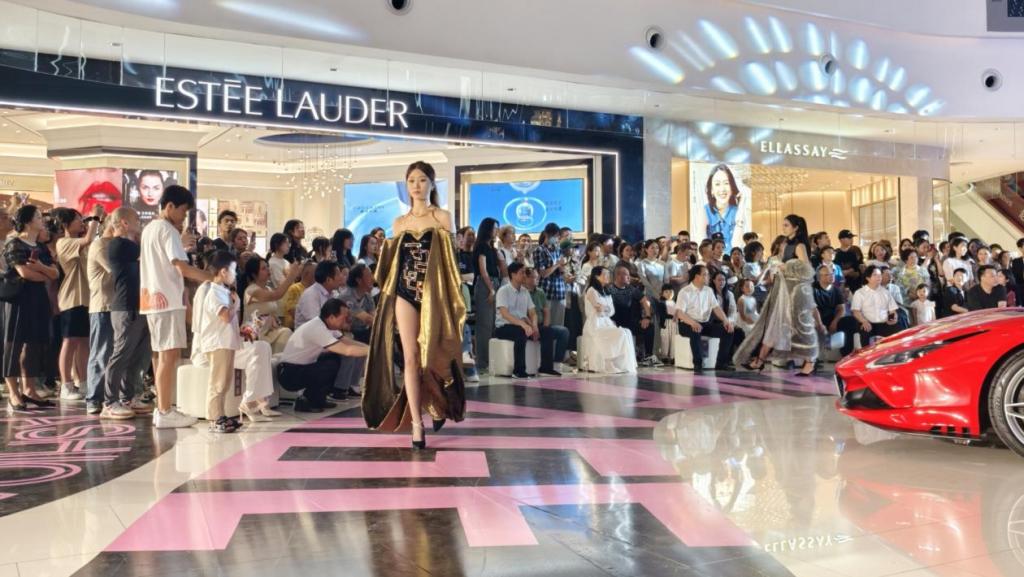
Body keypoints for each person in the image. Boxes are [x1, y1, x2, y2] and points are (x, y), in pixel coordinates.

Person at [362, 161, 466, 450]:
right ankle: (417, 424)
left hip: (436, 295)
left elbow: (451, 264)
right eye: (411, 181)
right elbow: (391, 264)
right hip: (405, 292)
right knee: (409, 357)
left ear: (431, 183)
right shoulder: (399, 223)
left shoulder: (443, 217)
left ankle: (438, 402)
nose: (417, 186)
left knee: (432, 355)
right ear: (406, 186)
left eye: (422, 180)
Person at [140, 185, 212, 429]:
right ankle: (164, 410)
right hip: (167, 301)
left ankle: (163, 407)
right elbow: (182, 267)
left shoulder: (150, 229)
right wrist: (212, 277)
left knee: (161, 356)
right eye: (183, 211)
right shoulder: (167, 230)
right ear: (169, 206)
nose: (184, 217)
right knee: (168, 357)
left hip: (154, 299)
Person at [734, 214, 819, 376]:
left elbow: (807, 270)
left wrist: (785, 267)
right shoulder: (787, 244)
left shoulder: (800, 246)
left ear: (796, 227)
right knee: (774, 326)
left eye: (787, 225)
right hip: (782, 291)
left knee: (799, 326)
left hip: (794, 293)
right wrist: (779, 267)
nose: (783, 228)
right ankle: (760, 360)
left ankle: (810, 362)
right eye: (783, 225)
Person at [2, 205, 59, 411]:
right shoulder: (14, 244)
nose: (41, 220)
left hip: (38, 299)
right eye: (37, 216)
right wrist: (44, 273)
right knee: (14, 344)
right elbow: (24, 273)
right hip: (18, 298)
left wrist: (41, 269)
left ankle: (30, 389)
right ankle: (13, 393)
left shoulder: (40, 246)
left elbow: (55, 273)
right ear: (27, 221)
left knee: (34, 344)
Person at [103, 207, 153, 420]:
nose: (139, 222)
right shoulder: (118, 244)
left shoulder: (131, 245)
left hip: (139, 305)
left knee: (137, 356)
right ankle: (109, 401)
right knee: (121, 354)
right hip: (125, 307)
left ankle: (128, 397)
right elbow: (149, 252)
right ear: (124, 222)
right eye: (136, 219)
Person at [278, 299, 369, 412]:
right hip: (289, 374)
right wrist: (373, 351)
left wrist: (371, 347)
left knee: (334, 360)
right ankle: (305, 401)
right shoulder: (317, 328)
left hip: (302, 368)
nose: (347, 320)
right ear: (331, 317)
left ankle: (319, 399)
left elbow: (348, 342)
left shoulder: (327, 325)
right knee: (330, 365)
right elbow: (347, 350)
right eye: (344, 317)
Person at [55, 207, 103, 401]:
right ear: (66, 224)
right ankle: (66, 385)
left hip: (87, 299)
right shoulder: (64, 242)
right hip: (72, 298)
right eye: (77, 219)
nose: (82, 222)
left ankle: (83, 383)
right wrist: (95, 217)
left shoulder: (83, 243)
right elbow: (88, 239)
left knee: (84, 342)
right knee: (70, 341)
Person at [675, 264, 736, 372]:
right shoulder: (685, 291)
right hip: (687, 324)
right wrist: (693, 323)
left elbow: (716, 308)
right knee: (695, 331)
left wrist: (726, 321)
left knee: (728, 331)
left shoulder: (708, 290)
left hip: (705, 323)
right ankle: (698, 364)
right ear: (696, 276)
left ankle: (721, 363)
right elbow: (679, 313)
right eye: (705, 274)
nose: (708, 277)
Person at [579, 266, 638, 374]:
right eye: (605, 274)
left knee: (627, 332)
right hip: (595, 324)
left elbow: (611, 311)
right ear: (597, 276)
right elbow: (599, 309)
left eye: (608, 274)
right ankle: (608, 363)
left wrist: (604, 309)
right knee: (620, 333)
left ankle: (619, 364)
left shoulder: (606, 291)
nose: (608, 276)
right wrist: (605, 309)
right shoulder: (591, 290)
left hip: (606, 322)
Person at [85, 210, 115, 415]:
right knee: (100, 353)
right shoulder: (100, 245)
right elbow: (116, 269)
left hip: (116, 306)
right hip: (102, 306)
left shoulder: (116, 245)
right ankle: (93, 397)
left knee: (113, 353)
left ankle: (108, 396)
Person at [238, 256, 301, 354]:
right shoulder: (251, 290)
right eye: (263, 268)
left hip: (269, 331)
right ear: (254, 274)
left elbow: (273, 310)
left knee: (286, 332)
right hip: (254, 333)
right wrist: (291, 275)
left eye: (267, 266)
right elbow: (277, 295)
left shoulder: (268, 289)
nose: (268, 269)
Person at [492, 263, 541, 378]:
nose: (525, 275)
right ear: (513, 275)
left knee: (550, 332)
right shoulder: (503, 291)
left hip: (523, 325)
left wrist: (534, 326)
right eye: (522, 272)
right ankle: (518, 371)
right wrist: (523, 325)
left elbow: (532, 312)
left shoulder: (525, 291)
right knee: (520, 332)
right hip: (503, 327)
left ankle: (546, 368)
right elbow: (505, 314)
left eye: (525, 272)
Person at [523, 265, 570, 375]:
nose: (537, 279)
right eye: (534, 277)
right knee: (547, 332)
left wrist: (545, 325)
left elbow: (546, 311)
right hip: (527, 325)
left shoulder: (540, 292)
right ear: (526, 278)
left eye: (538, 277)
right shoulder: (522, 293)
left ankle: (557, 363)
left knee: (563, 331)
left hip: (540, 325)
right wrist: (534, 327)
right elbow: (522, 314)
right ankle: (545, 367)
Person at [607, 263, 656, 365]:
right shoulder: (609, 290)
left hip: (632, 323)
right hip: (615, 324)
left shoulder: (632, 289)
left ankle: (648, 356)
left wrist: (647, 317)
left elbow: (644, 301)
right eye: (627, 275)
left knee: (650, 327)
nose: (629, 277)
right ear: (618, 276)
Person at [812, 264, 860, 357]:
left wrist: (835, 322)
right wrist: (820, 325)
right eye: (827, 274)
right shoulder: (813, 289)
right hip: (816, 320)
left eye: (832, 273)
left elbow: (841, 308)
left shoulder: (836, 290)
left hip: (831, 319)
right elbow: (813, 309)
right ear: (819, 277)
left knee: (851, 321)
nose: (831, 276)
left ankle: (847, 355)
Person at [472, 217, 500, 373]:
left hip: (494, 282)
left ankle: (491, 359)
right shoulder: (481, 246)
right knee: (484, 324)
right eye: (494, 228)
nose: (496, 231)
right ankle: (482, 362)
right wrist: (491, 289)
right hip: (485, 284)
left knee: (492, 323)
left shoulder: (491, 247)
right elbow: (483, 270)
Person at [851, 265, 901, 346]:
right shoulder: (860, 293)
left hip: (885, 323)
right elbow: (856, 311)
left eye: (880, 275)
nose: (879, 277)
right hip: (868, 323)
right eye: (875, 275)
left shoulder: (886, 292)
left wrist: (894, 318)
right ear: (868, 278)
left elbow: (892, 310)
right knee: (865, 331)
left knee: (896, 333)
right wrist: (863, 321)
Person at [294, 260, 345, 329]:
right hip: (311, 334)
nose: (341, 277)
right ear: (328, 280)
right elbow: (317, 324)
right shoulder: (311, 295)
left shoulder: (333, 293)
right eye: (338, 274)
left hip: (326, 332)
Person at [703, 164, 741, 249]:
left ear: (732, 186)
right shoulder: (705, 210)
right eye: (717, 184)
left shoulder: (738, 211)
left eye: (726, 183)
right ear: (711, 190)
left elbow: (737, 245)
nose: (722, 189)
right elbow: (701, 243)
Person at [339, 263, 376, 345]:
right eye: (369, 276)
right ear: (359, 280)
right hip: (349, 335)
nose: (373, 279)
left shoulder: (367, 295)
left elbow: (374, 316)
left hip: (363, 332)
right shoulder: (346, 296)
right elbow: (367, 319)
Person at [282, 261, 315, 329]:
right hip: (296, 327)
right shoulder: (294, 288)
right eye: (315, 273)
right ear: (307, 274)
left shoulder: (315, 289)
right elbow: (292, 311)